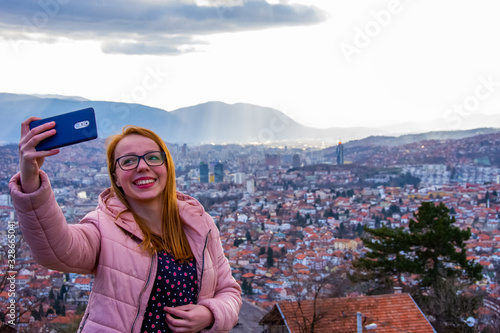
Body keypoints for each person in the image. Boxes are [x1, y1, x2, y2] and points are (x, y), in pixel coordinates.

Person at [9, 118, 242, 332]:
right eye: (128, 161)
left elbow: (229, 291)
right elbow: (56, 250)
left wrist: (210, 314)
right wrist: (30, 178)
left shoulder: (199, 224)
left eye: (152, 157)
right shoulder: (103, 227)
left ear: (167, 166)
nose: (142, 166)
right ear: (116, 177)